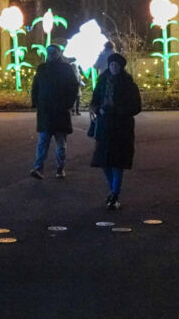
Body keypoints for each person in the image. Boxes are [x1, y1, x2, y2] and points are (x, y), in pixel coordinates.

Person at [89, 53, 142, 211]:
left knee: (117, 162)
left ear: (121, 67)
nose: (114, 67)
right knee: (104, 161)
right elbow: (94, 101)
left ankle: (115, 194)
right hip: (104, 126)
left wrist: (118, 111)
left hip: (122, 127)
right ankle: (113, 190)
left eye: (116, 65)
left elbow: (136, 107)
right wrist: (99, 109)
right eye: (112, 65)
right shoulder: (102, 82)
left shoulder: (129, 84)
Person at [29, 44, 79, 179]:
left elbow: (74, 87)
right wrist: (35, 102)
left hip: (60, 111)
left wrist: (68, 104)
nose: (51, 55)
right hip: (46, 111)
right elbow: (36, 86)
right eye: (49, 52)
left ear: (59, 53)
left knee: (60, 143)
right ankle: (39, 167)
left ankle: (60, 167)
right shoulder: (42, 68)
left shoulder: (66, 68)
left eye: (53, 52)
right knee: (43, 141)